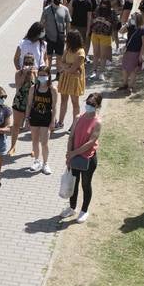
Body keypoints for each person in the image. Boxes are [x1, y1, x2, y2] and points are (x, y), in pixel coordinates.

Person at [61, 92, 103, 223]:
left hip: (88, 159)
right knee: (74, 182)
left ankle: (84, 210)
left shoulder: (98, 122)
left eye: (92, 104)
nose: (89, 106)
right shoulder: (78, 117)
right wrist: (69, 153)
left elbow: (91, 142)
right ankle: (72, 207)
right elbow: (71, 136)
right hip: (74, 156)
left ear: (98, 106)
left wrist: (74, 153)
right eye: (88, 103)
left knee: (86, 184)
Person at [27, 68, 57, 175]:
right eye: (40, 75)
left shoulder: (52, 89)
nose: (42, 77)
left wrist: (53, 121)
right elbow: (29, 105)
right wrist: (27, 118)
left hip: (46, 118)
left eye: (44, 75)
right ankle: (36, 161)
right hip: (34, 117)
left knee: (44, 142)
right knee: (35, 140)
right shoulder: (33, 88)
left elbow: (54, 107)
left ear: (49, 75)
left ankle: (45, 163)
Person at [8, 52, 38, 157]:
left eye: (30, 62)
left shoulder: (36, 73)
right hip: (20, 102)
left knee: (33, 127)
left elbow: (38, 87)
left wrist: (33, 74)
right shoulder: (19, 73)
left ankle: (34, 148)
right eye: (26, 62)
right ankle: (13, 146)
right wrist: (24, 73)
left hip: (32, 103)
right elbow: (19, 86)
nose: (28, 64)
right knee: (16, 125)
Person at [56, 30, 86, 129]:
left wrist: (66, 68)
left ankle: (75, 125)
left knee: (75, 103)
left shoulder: (80, 52)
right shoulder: (68, 49)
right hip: (66, 78)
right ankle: (60, 122)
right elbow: (61, 62)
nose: (66, 41)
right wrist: (69, 66)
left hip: (75, 80)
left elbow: (73, 69)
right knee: (63, 101)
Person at [40, 0, 70, 74]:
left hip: (60, 37)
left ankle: (58, 73)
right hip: (48, 37)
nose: (59, 0)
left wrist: (67, 35)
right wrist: (41, 36)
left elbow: (68, 23)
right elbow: (41, 23)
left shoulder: (65, 9)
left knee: (59, 57)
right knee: (48, 57)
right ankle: (47, 73)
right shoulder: (46, 9)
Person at [118, 12, 144, 94]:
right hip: (128, 51)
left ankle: (130, 87)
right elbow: (120, 31)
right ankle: (125, 84)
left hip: (136, 53)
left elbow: (143, 44)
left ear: (138, 19)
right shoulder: (130, 27)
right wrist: (126, 25)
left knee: (133, 71)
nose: (131, 19)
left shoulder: (142, 30)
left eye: (133, 17)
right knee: (124, 68)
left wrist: (141, 55)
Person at [89, 0, 115, 80]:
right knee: (96, 54)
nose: (103, 6)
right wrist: (96, 20)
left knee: (103, 55)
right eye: (102, 4)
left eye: (105, 4)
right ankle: (94, 71)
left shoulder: (112, 12)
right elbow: (92, 20)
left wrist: (106, 22)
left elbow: (115, 24)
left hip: (106, 35)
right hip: (95, 34)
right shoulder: (97, 10)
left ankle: (101, 73)